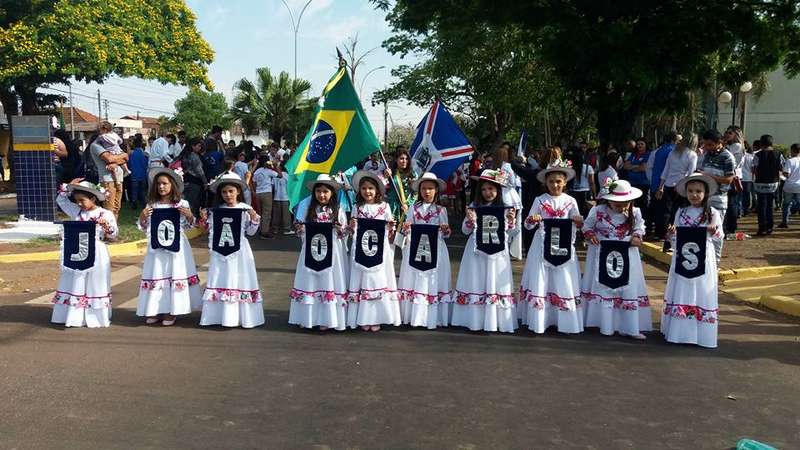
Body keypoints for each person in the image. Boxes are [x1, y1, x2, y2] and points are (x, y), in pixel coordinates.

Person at [518, 160, 584, 334]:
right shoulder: (540, 200)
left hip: (563, 245)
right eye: (551, 181)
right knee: (542, 278)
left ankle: (563, 317)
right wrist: (533, 219)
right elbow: (528, 224)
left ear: (565, 182)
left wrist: (578, 220)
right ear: (545, 183)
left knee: (563, 277)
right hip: (542, 245)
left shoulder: (570, 201)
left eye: (558, 181)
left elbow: (577, 221)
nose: (555, 185)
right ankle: (541, 318)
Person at [581, 179, 651, 339]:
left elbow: (640, 226)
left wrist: (637, 236)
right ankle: (605, 325)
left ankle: (629, 327)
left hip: (626, 254)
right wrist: (590, 234)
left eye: (626, 203)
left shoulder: (635, 212)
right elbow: (587, 226)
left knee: (627, 287)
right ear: (609, 200)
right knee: (604, 287)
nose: (622, 207)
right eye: (618, 204)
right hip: (603, 253)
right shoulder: (598, 211)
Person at [451, 169, 518, 333]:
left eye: (491, 189)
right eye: (484, 189)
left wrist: (510, 221)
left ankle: (496, 320)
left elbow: (511, 232)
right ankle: (474, 319)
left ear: (498, 190)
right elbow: (465, 231)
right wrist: (470, 220)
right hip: (476, 252)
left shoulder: (504, 208)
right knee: (477, 280)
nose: (488, 193)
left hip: (497, 253)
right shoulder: (474, 207)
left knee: (494, 281)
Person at [662, 173, 723, 348]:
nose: (694, 195)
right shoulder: (681, 212)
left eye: (698, 191)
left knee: (701, 289)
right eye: (690, 191)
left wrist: (713, 231)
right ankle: (679, 331)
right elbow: (674, 237)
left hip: (704, 257)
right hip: (683, 258)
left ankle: (701, 333)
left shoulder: (712, 213)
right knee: (682, 288)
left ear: (706, 193)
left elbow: (719, 236)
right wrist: (671, 234)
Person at [135, 168, 201, 326]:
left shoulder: (181, 204)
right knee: (158, 274)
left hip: (176, 247)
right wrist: (142, 217)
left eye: (164, 183)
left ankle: (172, 311)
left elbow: (190, 225)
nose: (161, 187)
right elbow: (145, 227)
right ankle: (156, 309)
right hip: (157, 247)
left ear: (172, 185)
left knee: (173, 274)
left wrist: (189, 215)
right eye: (158, 184)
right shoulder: (152, 204)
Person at [198, 173, 265, 328]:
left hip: (240, 251)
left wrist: (254, 218)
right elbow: (209, 230)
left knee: (241, 279)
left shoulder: (245, 209)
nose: (228, 195)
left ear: (238, 192)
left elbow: (251, 232)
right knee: (221, 278)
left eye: (231, 191)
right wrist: (203, 219)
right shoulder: (216, 210)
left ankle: (243, 316)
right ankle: (219, 316)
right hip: (220, 252)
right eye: (224, 192)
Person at [52, 180, 117, 327]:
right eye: (77, 201)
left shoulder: (105, 214)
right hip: (76, 250)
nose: (79, 203)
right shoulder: (76, 211)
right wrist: (68, 187)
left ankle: (95, 316)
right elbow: (61, 201)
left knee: (95, 282)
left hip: (97, 252)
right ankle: (73, 315)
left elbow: (113, 234)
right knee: (75, 279)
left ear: (93, 198)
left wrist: (106, 226)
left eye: (82, 200)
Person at [288, 174, 350, 331]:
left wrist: (340, 229)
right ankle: (307, 317)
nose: (322, 195)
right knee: (311, 281)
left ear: (332, 193)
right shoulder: (308, 208)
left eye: (325, 191)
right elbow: (300, 228)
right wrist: (301, 229)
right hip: (311, 251)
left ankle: (327, 319)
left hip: (332, 254)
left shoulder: (338, 210)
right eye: (319, 191)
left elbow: (344, 233)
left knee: (328, 281)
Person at [346, 170, 401, 331]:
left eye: (370, 188)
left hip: (379, 250)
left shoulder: (385, 207)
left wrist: (391, 227)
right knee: (362, 280)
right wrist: (351, 227)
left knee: (378, 280)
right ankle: (362, 317)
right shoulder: (357, 207)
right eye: (364, 188)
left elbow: (390, 230)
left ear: (377, 190)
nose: (367, 191)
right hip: (361, 249)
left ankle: (377, 316)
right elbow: (353, 228)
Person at [397, 172, 452, 329]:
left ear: (436, 190)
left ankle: (432, 316)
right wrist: (407, 228)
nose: (427, 192)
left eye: (430, 188)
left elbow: (446, 234)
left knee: (433, 279)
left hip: (436, 249)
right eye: (423, 189)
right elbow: (406, 229)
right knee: (416, 278)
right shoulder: (413, 208)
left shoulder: (441, 210)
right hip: (416, 248)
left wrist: (445, 230)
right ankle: (415, 315)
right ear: (419, 191)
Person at [656, 133, 699, 248]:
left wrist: (661, 187)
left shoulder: (673, 152)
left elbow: (665, 171)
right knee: (681, 214)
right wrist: (682, 185)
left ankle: (668, 240)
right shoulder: (692, 155)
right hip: (682, 188)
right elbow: (690, 174)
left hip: (669, 185)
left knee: (669, 214)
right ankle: (678, 239)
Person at [698, 129, 734, 259]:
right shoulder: (706, 155)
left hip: (719, 198)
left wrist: (709, 176)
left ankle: (716, 263)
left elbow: (729, 179)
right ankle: (704, 261)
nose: (707, 147)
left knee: (716, 232)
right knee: (702, 231)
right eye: (705, 144)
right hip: (704, 198)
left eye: (710, 144)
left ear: (719, 142)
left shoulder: (727, 157)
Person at [88, 130, 129, 219]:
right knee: (109, 210)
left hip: (118, 177)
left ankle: (114, 231)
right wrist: (122, 157)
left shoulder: (112, 145)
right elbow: (109, 159)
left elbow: (126, 157)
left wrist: (116, 162)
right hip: (107, 180)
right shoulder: (96, 145)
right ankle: (108, 231)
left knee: (116, 208)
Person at [647, 132, 680, 239]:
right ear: (674, 140)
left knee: (658, 210)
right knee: (667, 210)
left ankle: (659, 232)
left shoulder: (659, 150)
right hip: (667, 184)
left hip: (656, 183)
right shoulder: (673, 150)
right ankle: (665, 233)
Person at [752, 134, 784, 236]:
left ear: (761, 143)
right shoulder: (778, 154)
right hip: (773, 183)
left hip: (760, 183)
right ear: (771, 143)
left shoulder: (757, 155)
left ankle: (762, 228)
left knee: (761, 206)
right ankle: (770, 227)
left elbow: (754, 169)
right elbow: (782, 168)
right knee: (770, 205)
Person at [622, 138, 651, 233]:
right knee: (633, 205)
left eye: (642, 144)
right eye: (638, 144)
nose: (639, 146)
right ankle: (633, 224)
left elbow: (644, 168)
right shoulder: (633, 155)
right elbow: (625, 166)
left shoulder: (648, 154)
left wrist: (633, 166)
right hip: (632, 183)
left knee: (643, 205)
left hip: (643, 183)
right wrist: (637, 166)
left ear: (646, 145)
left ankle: (644, 225)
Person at [384, 149, 418, 224]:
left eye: (406, 159)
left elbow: (416, 193)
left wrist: (408, 204)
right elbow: (383, 189)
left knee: (406, 232)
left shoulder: (413, 174)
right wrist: (386, 177)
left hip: (407, 208)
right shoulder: (390, 173)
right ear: (396, 159)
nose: (404, 161)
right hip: (393, 207)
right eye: (402, 158)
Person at [723, 127, 745, 235]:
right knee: (731, 202)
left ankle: (730, 227)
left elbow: (726, 158)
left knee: (731, 203)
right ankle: (730, 226)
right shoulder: (732, 146)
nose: (727, 134)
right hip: (732, 175)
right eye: (726, 132)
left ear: (736, 135)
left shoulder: (736, 146)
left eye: (730, 133)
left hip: (733, 176)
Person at [252, 158, 279, 238]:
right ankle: (264, 232)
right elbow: (280, 175)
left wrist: (255, 190)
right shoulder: (268, 171)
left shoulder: (257, 172)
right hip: (267, 193)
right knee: (266, 213)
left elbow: (254, 182)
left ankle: (260, 229)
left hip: (258, 193)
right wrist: (275, 166)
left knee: (260, 213)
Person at [778, 144, 800, 228]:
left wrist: (782, 173)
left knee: (787, 204)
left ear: (793, 150)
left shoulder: (790, 161)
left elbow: (787, 174)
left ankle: (785, 222)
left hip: (789, 186)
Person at [271, 162, 292, 235]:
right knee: (286, 214)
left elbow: (272, 186)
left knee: (276, 214)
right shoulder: (287, 175)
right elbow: (290, 186)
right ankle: (286, 229)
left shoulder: (275, 175)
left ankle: (275, 229)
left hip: (276, 197)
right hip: (285, 197)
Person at [128, 136, 149, 210]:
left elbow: (129, 164)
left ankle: (134, 204)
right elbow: (146, 165)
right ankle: (144, 204)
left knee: (134, 190)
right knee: (143, 190)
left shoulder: (132, 154)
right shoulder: (144, 154)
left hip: (134, 174)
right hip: (143, 174)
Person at [740, 141, 758, 216]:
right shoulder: (751, 157)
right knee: (747, 195)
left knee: (740, 195)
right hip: (749, 178)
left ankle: (740, 210)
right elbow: (753, 169)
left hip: (739, 178)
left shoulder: (738, 155)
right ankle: (746, 210)